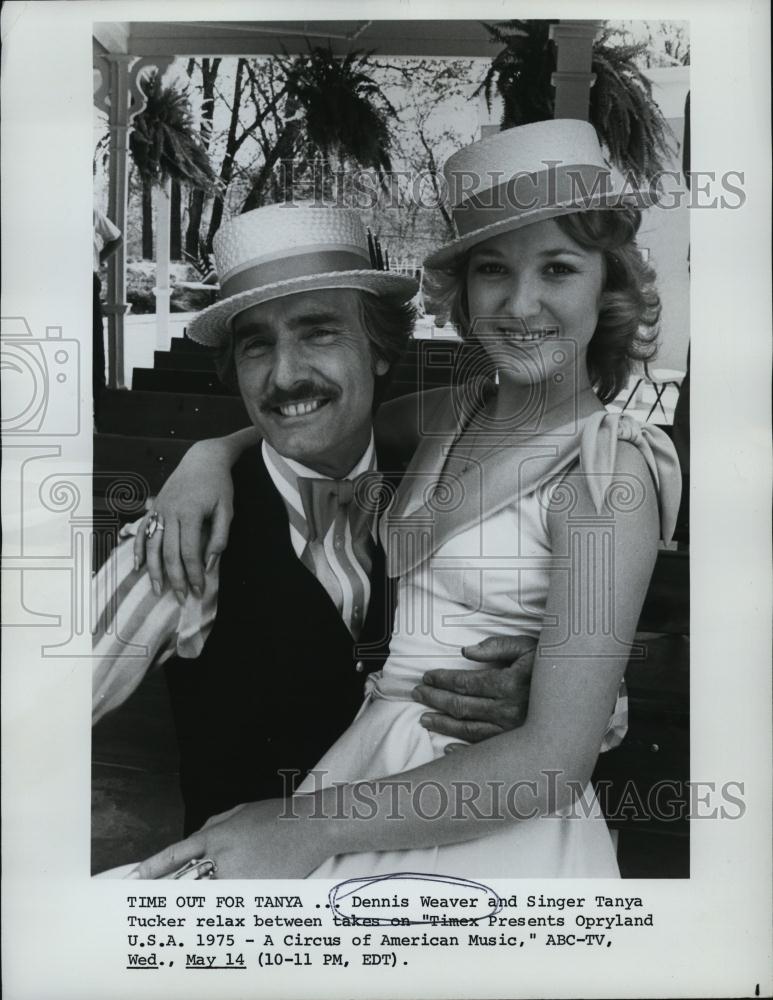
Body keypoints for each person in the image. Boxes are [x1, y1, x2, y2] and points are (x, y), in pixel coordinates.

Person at [134, 119, 680, 880]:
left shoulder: (607, 469)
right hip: (368, 761)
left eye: (557, 269)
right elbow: (310, 429)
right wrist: (207, 457)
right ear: (463, 291)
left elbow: (553, 756)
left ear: (608, 285)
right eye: (493, 270)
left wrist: (301, 826)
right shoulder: (446, 416)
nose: (520, 305)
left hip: (487, 799)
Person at [92, 203, 537, 849]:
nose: (285, 374)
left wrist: (542, 685)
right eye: (256, 346)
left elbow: (575, 684)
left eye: (319, 331)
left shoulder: (448, 494)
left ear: (380, 350)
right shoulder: (187, 543)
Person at [93, 206, 122, 429]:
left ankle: (100, 415)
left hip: (86, 278)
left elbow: (116, 238)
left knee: (95, 346)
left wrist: (98, 259)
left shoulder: (90, 209)